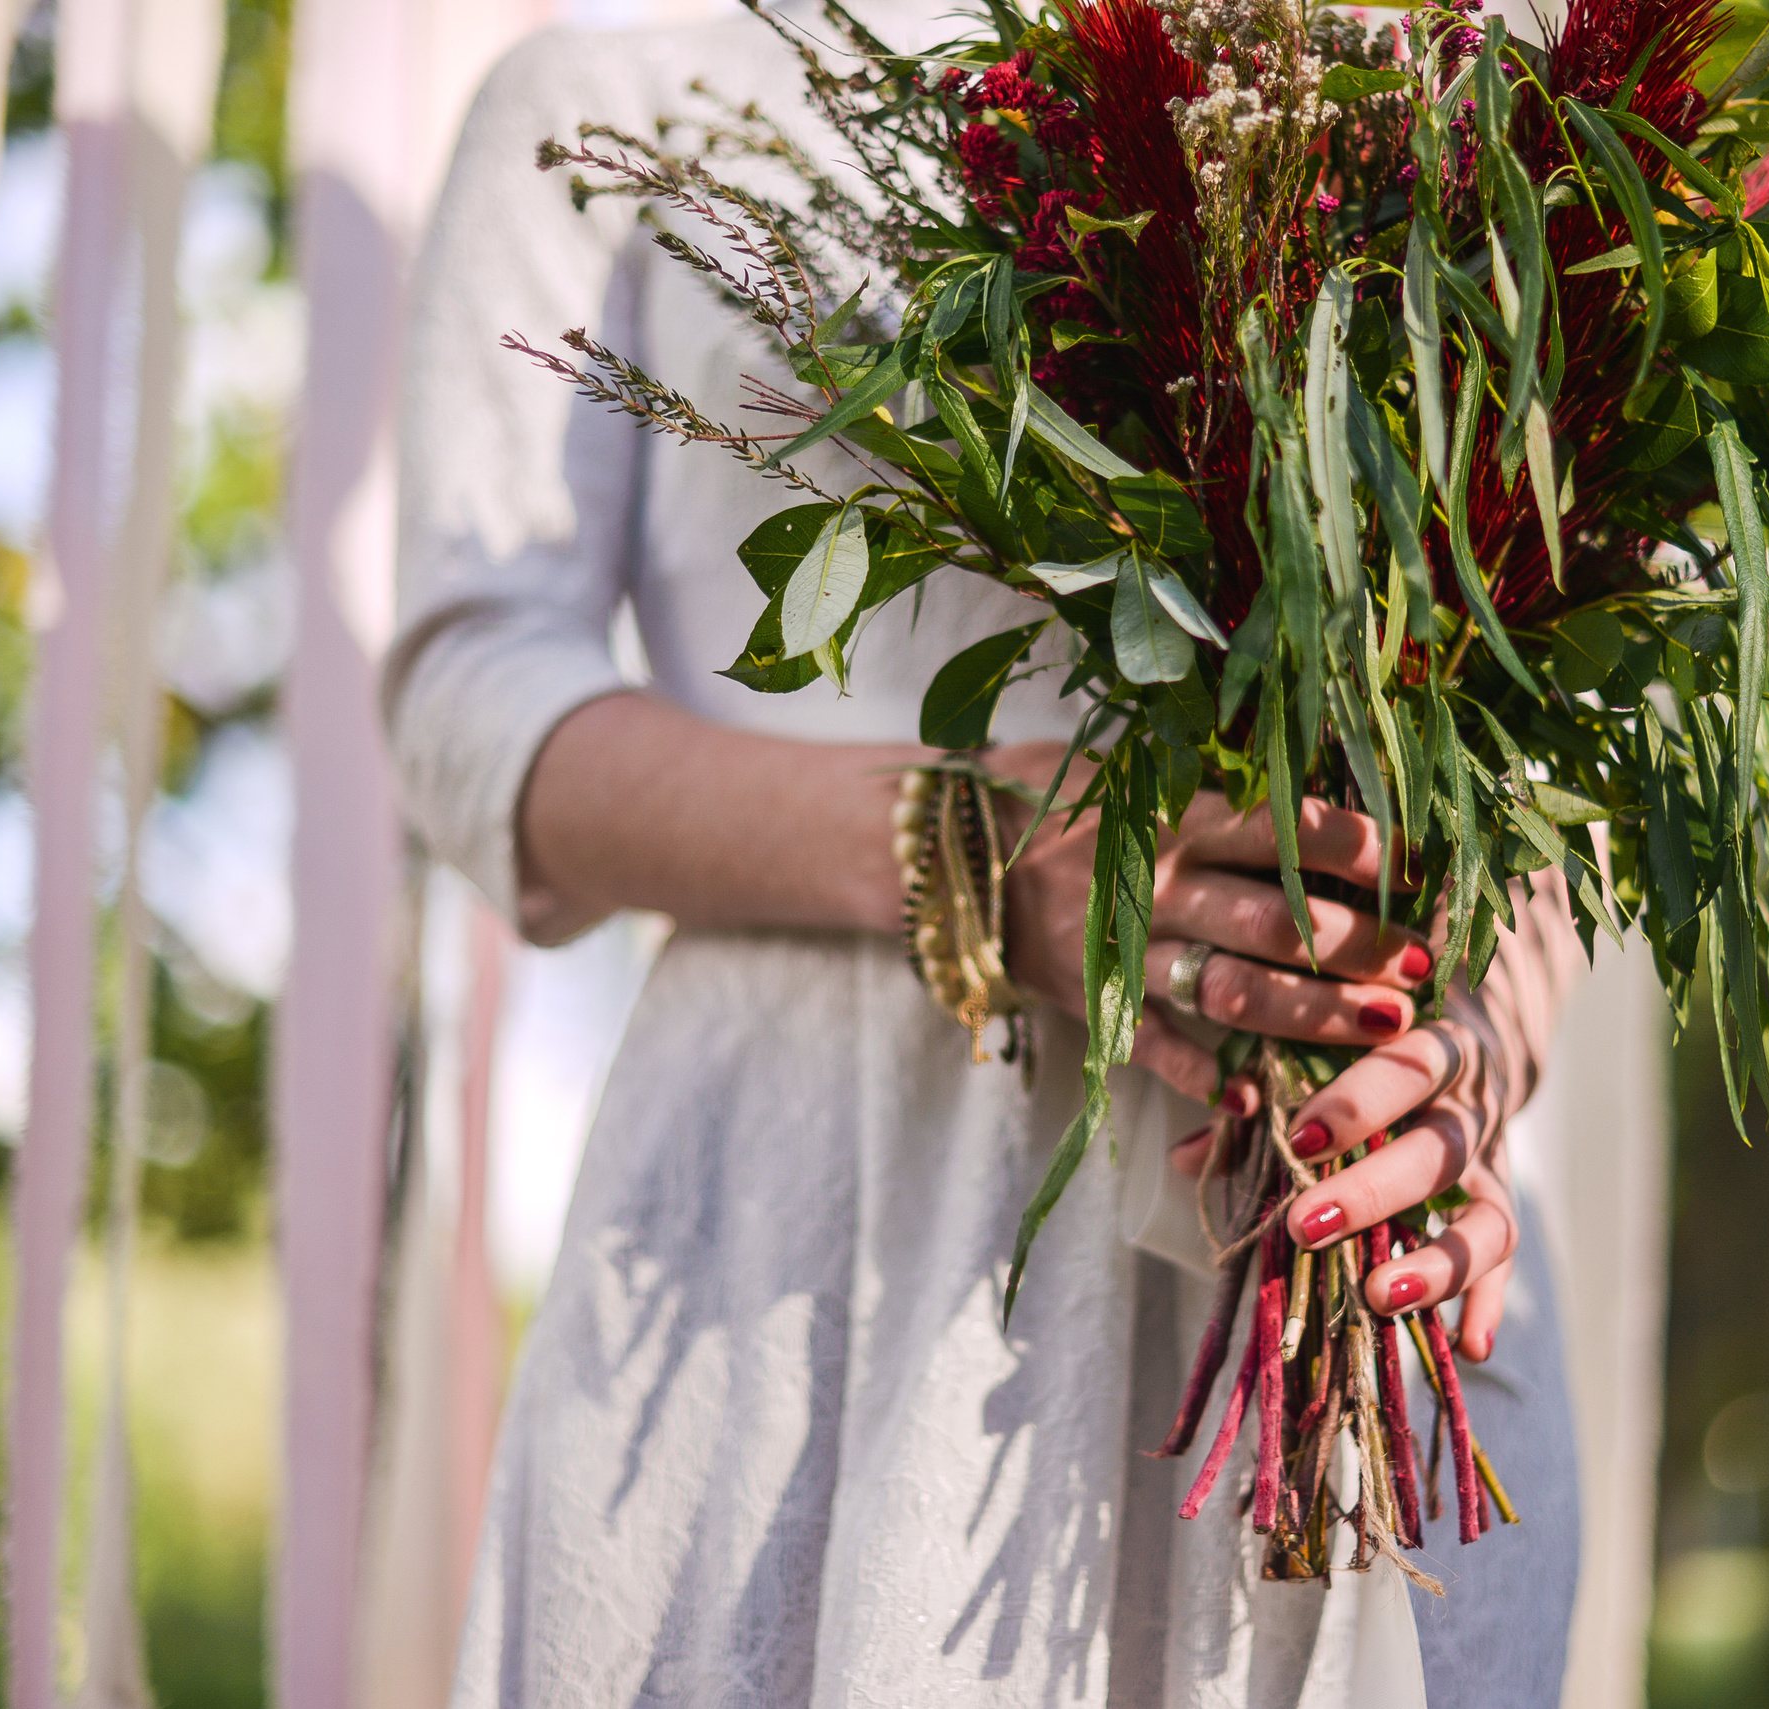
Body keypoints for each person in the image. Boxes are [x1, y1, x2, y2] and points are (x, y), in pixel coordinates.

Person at [384, 6, 1585, 1702]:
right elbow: (466, 695)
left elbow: (1545, 692)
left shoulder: (1421, 45)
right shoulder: (620, 93)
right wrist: (975, 847)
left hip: (1366, 1226)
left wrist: (1478, 1042)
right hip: (828, 1226)